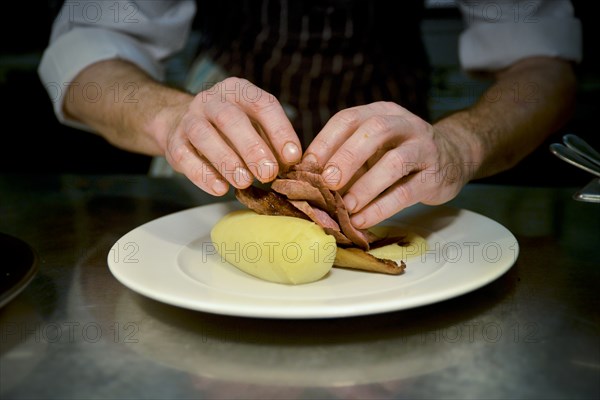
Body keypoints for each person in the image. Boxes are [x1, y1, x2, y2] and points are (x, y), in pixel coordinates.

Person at [38, 0, 582, 229]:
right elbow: (86, 45)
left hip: (395, 160)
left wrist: (460, 146)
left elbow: (543, 65)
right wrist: (170, 117)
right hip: (216, 148)